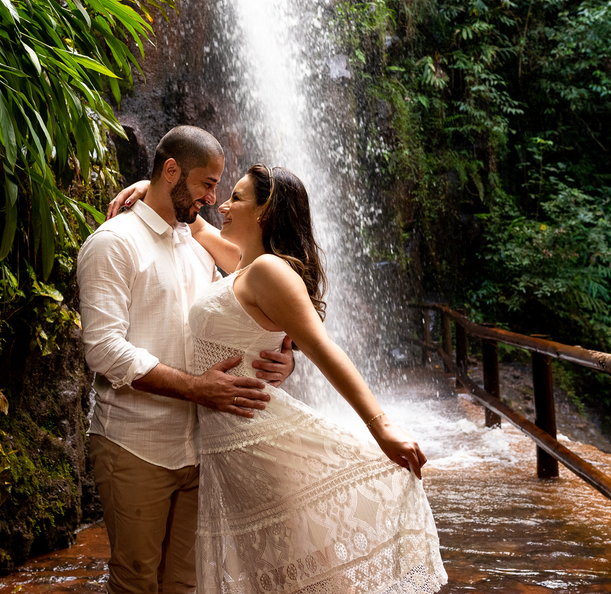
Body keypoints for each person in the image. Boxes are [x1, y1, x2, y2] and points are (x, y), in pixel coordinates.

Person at [114, 164, 446, 594]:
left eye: (236, 198)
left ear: (265, 210)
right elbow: (195, 227)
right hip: (228, 449)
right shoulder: (244, 265)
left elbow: (324, 348)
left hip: (259, 440)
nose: (224, 206)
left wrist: (382, 429)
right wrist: (157, 189)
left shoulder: (268, 270)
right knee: (271, 572)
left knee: (302, 571)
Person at [77, 126, 296, 594]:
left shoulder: (196, 244)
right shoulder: (113, 243)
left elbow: (251, 307)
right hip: (135, 442)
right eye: (207, 183)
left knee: (185, 582)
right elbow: (103, 349)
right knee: (135, 580)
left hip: (200, 446)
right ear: (171, 171)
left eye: (219, 187)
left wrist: (285, 357)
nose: (213, 198)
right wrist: (196, 388)